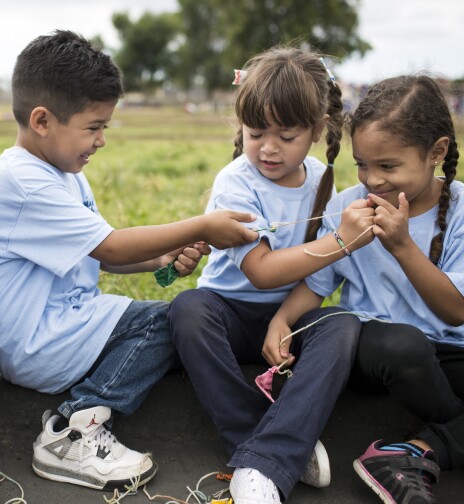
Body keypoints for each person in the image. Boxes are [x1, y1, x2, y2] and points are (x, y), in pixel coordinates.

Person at [0, 30, 258, 492]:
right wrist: (201, 226)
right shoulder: (23, 180)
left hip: (63, 328)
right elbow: (111, 246)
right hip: (38, 343)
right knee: (165, 323)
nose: (102, 140)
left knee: (166, 324)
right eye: (93, 126)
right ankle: (73, 430)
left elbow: (100, 257)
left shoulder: (62, 173)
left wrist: (161, 259)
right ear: (42, 120)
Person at [168, 46, 376, 504]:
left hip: (292, 318)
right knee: (187, 309)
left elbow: (321, 277)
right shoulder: (236, 181)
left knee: (342, 325)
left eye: (286, 135)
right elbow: (261, 271)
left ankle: (271, 448)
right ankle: (268, 451)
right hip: (230, 314)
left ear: (318, 130)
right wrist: (341, 239)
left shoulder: (323, 182)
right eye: (256, 132)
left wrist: (285, 319)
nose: (268, 147)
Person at [269, 74, 463, 504]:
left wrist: (402, 246)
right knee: (404, 345)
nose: (372, 180)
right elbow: (317, 284)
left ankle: (411, 453)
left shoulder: (462, 211)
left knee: (422, 346)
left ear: (437, 152)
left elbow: (456, 311)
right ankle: (452, 427)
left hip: (447, 351)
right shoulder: (347, 207)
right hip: (374, 350)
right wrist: (282, 320)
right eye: (362, 164)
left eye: (387, 166)